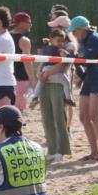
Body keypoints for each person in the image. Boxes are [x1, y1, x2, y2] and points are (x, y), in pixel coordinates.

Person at [68, 15, 98, 161]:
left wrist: (71, 56)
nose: (73, 35)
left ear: (81, 29)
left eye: (74, 31)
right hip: (91, 77)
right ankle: (94, 152)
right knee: (83, 117)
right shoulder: (86, 40)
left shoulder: (95, 38)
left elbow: (86, 61)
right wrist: (82, 78)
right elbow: (88, 62)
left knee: (94, 116)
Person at [35, 28, 74, 163]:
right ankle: (51, 149)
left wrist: (45, 75)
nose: (60, 43)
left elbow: (61, 66)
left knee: (59, 117)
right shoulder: (48, 48)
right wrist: (40, 74)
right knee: (47, 118)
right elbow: (42, 62)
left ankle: (61, 150)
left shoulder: (69, 46)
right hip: (46, 84)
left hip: (57, 85)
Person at [10, 12, 35, 111]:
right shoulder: (24, 40)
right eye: (29, 22)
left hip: (8, 77)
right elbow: (27, 62)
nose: (31, 24)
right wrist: (33, 81)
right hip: (21, 78)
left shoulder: (5, 36)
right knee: (18, 110)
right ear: (21, 24)